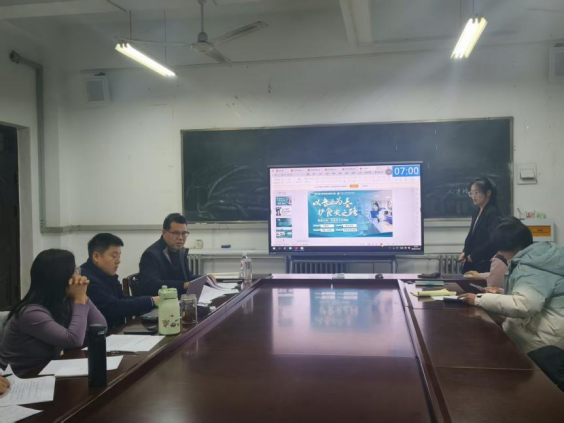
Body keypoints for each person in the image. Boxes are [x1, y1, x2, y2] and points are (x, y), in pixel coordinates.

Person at [459, 217, 564, 353]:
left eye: (502, 249)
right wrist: (502, 292)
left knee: (486, 344)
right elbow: (538, 294)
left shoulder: (530, 268)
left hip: (548, 343)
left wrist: (479, 299)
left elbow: (524, 305)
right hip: (554, 331)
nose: (500, 253)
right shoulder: (543, 256)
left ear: (513, 246)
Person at [0, 249, 106, 375]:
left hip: (47, 372)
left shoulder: (62, 302)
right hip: (19, 379)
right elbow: (73, 340)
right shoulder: (30, 313)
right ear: (60, 277)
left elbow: (101, 326)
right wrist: (79, 298)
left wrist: (83, 297)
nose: (78, 275)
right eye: (74, 270)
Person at [80, 233, 159, 329]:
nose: (118, 261)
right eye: (114, 256)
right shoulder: (86, 280)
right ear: (96, 256)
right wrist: (151, 301)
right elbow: (114, 307)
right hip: (101, 335)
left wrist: (152, 300)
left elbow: (121, 298)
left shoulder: (107, 274)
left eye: (119, 256)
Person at [139, 213, 216, 297]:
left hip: (179, 299)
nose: (180, 238)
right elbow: (151, 285)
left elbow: (188, 278)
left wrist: (203, 278)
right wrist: (183, 285)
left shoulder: (180, 251)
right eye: (176, 233)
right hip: (161, 302)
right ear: (164, 232)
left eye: (184, 233)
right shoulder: (151, 255)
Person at [459, 177, 502, 273]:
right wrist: (465, 252)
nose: (473, 196)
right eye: (471, 193)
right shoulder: (476, 211)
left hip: (483, 263)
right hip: (472, 260)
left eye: (476, 192)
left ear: (488, 193)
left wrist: (474, 256)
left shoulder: (493, 213)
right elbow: (471, 235)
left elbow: (493, 240)